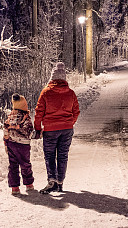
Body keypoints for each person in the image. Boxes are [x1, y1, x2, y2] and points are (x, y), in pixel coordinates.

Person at [34, 62, 80, 194]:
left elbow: (39, 112)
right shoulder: (71, 93)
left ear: (52, 78)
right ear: (64, 79)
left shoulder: (46, 92)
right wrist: (70, 122)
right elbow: (76, 111)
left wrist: (38, 128)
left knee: (49, 155)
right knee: (62, 155)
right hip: (67, 129)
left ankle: (52, 181)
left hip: (50, 130)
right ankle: (60, 182)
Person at [3, 93, 35, 195]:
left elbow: (5, 129)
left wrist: (6, 141)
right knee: (25, 164)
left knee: (13, 165)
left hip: (11, 144)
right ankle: (29, 184)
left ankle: (15, 187)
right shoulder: (26, 117)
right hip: (23, 145)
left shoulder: (10, 117)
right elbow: (29, 131)